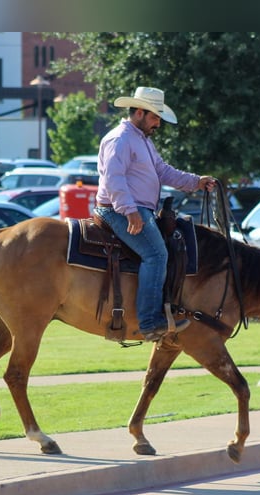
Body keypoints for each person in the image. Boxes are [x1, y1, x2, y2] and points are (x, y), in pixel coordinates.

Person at [94, 86, 216, 342]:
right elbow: (114, 179)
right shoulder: (121, 139)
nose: (158, 123)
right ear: (139, 112)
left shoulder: (141, 141)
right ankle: (149, 322)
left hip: (135, 207)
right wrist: (129, 211)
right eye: (154, 117)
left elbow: (163, 171)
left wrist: (196, 181)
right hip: (119, 209)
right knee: (156, 253)